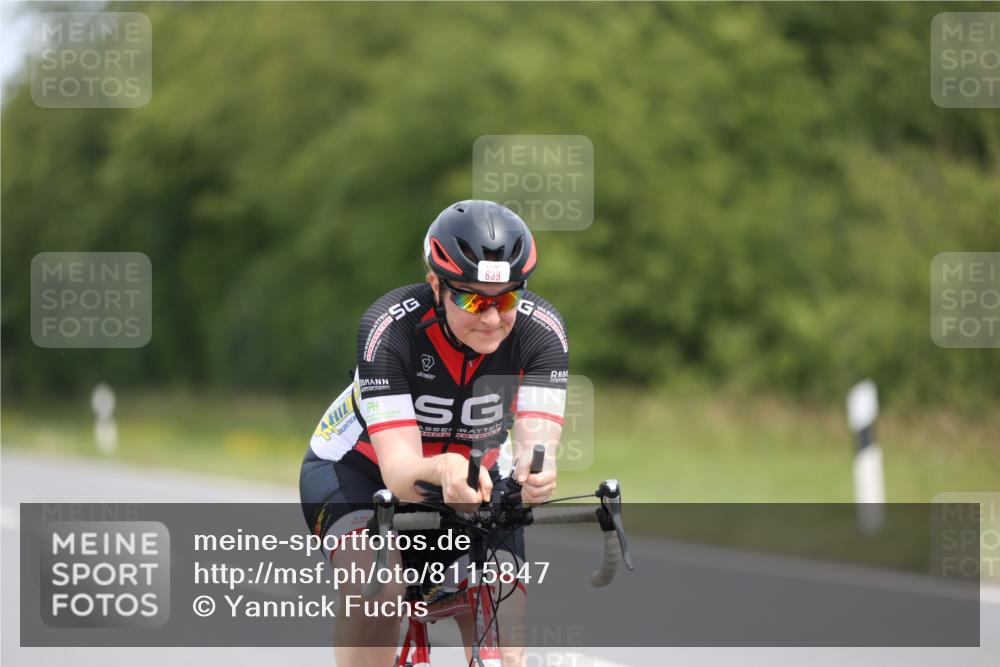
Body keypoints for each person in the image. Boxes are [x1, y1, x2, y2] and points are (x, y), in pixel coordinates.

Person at [299, 200, 569, 666]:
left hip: (475, 481)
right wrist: (444, 468)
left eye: (506, 299)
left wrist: (535, 474)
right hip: (358, 472)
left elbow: (535, 446)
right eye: (473, 300)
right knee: (378, 595)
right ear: (436, 285)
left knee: (505, 636)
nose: (491, 318)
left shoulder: (541, 331)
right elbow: (400, 472)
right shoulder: (391, 328)